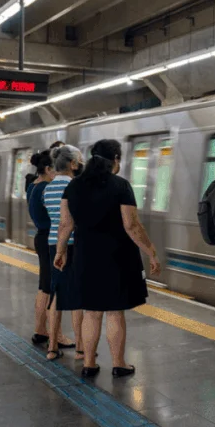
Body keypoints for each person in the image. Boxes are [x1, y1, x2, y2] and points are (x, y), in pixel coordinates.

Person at [54, 139, 160, 378]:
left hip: (85, 255)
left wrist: (60, 252)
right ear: (115, 159)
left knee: (91, 312)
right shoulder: (121, 186)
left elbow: (65, 224)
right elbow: (131, 225)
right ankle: (119, 363)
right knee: (114, 312)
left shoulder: (73, 187)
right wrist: (151, 251)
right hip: (117, 256)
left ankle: (89, 364)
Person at [43, 146, 82, 360]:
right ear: (73, 164)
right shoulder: (75, 186)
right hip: (73, 244)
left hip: (52, 243)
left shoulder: (48, 189)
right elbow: (72, 221)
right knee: (77, 295)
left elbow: (55, 219)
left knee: (56, 292)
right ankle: (80, 349)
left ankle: (51, 347)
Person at [27, 151, 55, 348]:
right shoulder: (46, 188)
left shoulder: (32, 186)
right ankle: (51, 334)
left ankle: (40, 330)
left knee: (44, 286)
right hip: (49, 239)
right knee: (50, 288)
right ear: (47, 169)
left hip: (41, 237)